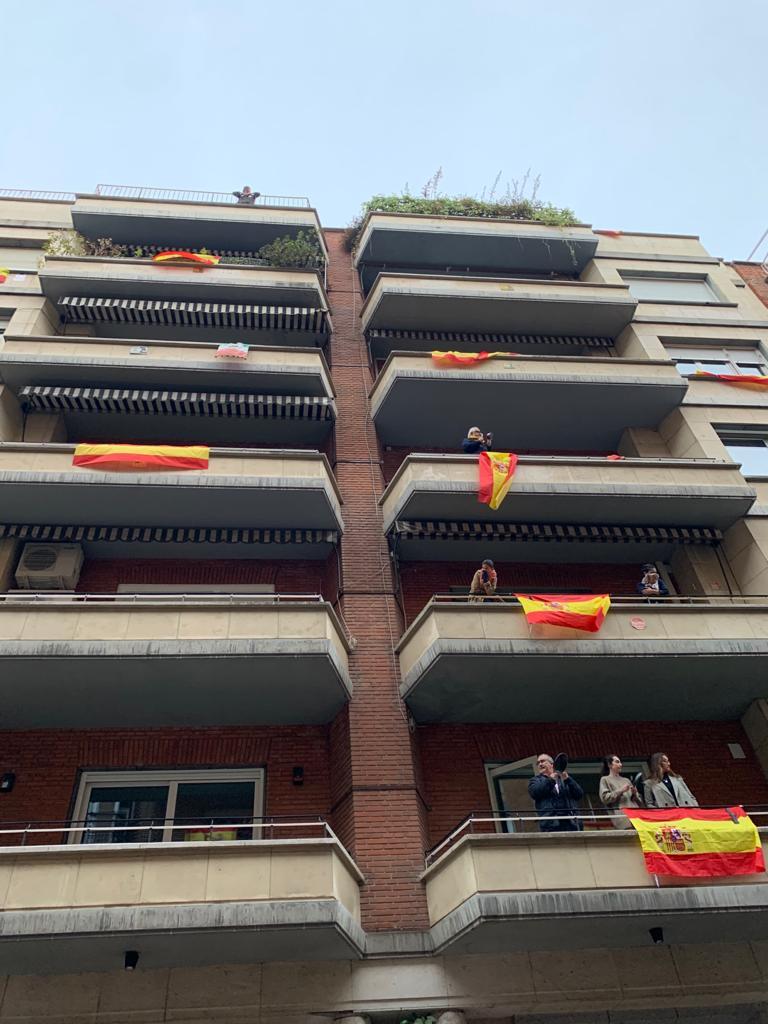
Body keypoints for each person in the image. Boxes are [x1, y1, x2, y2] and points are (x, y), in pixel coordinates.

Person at [528, 753, 584, 832]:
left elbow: (579, 794)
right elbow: (535, 792)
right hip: (550, 824)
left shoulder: (564, 780)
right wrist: (551, 780)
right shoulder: (535, 780)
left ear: (552, 764)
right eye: (538, 763)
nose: (540, 764)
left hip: (571, 823)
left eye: (543, 761)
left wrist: (568, 779)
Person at [599, 754, 642, 829]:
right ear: (609, 765)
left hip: (636, 816)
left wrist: (635, 794)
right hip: (622, 817)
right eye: (617, 762)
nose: (620, 764)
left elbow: (639, 801)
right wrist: (621, 790)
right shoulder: (605, 779)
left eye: (620, 762)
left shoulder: (626, 780)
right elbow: (605, 798)